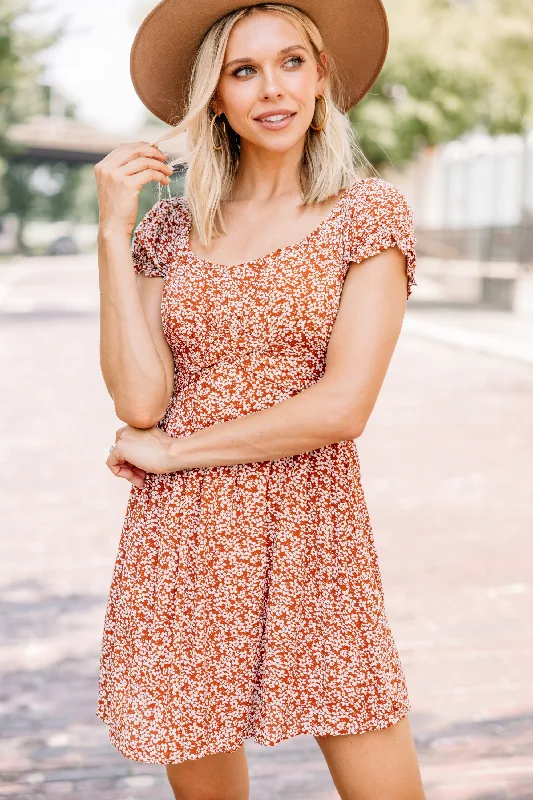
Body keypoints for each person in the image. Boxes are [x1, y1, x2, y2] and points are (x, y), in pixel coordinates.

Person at [94, 1, 425, 798]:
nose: (270, 89)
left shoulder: (364, 217)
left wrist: (176, 451)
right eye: (243, 70)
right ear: (215, 96)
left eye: (290, 63)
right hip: (185, 538)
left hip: (311, 523)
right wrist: (112, 231)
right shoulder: (168, 231)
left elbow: (342, 406)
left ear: (319, 81)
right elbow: (141, 400)